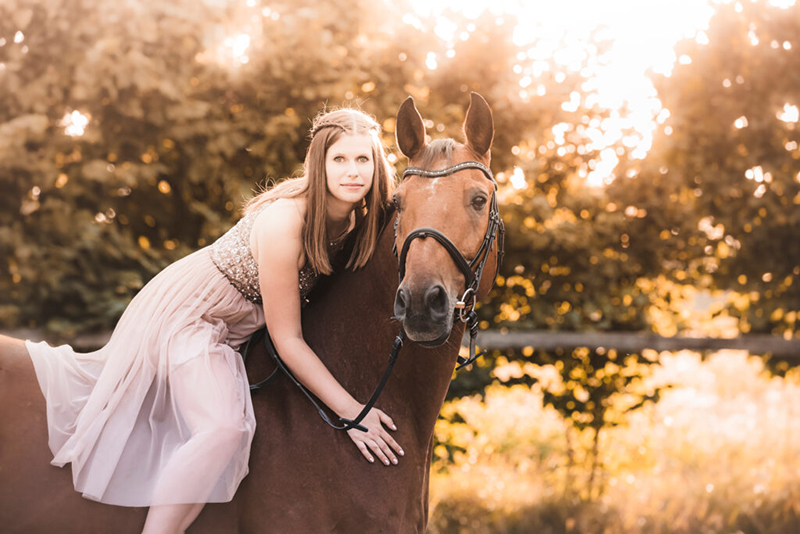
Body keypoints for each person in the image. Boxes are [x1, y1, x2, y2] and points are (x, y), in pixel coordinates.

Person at [18, 108, 403, 533]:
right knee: (223, 428)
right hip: (192, 316)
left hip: (235, 325)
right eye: (339, 160)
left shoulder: (355, 220)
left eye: (362, 159)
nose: (352, 172)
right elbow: (288, 338)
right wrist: (353, 413)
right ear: (320, 163)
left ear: (377, 164)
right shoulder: (287, 221)